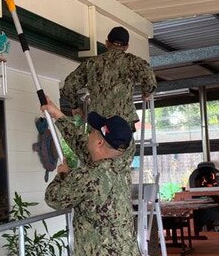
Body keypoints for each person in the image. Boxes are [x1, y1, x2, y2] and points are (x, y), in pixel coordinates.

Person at [43, 97, 140, 256]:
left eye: (92, 132)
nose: (87, 135)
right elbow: (82, 144)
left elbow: (54, 198)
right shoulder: (121, 168)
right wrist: (57, 115)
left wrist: (62, 175)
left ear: (100, 143)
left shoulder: (87, 176)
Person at [61, 26, 157, 127]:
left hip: (97, 124)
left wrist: (75, 107)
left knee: (96, 142)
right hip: (122, 124)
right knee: (122, 142)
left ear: (107, 43)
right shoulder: (133, 62)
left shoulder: (91, 63)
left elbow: (69, 86)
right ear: (126, 47)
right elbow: (150, 81)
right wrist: (146, 94)